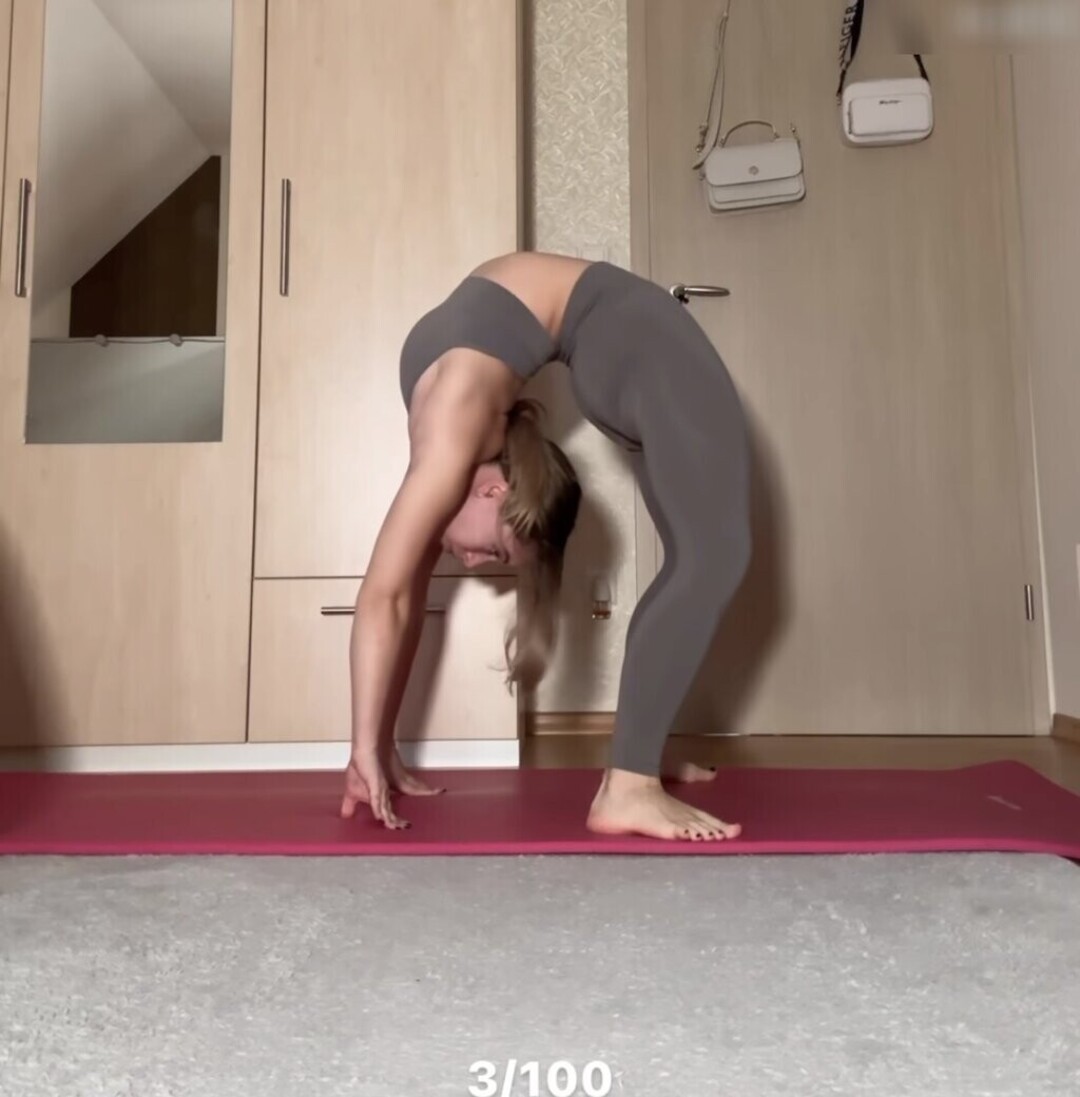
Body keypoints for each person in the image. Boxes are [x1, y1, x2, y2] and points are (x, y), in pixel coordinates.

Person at [339, 251, 751, 842]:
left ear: (493, 489)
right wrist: (374, 750)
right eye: (496, 554)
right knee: (707, 557)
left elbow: (389, 598)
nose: (475, 563)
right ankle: (632, 774)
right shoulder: (449, 440)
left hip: (633, 329)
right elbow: (397, 600)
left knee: (711, 556)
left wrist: (365, 749)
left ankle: (635, 764)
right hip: (621, 341)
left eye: (493, 554)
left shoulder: (449, 436)